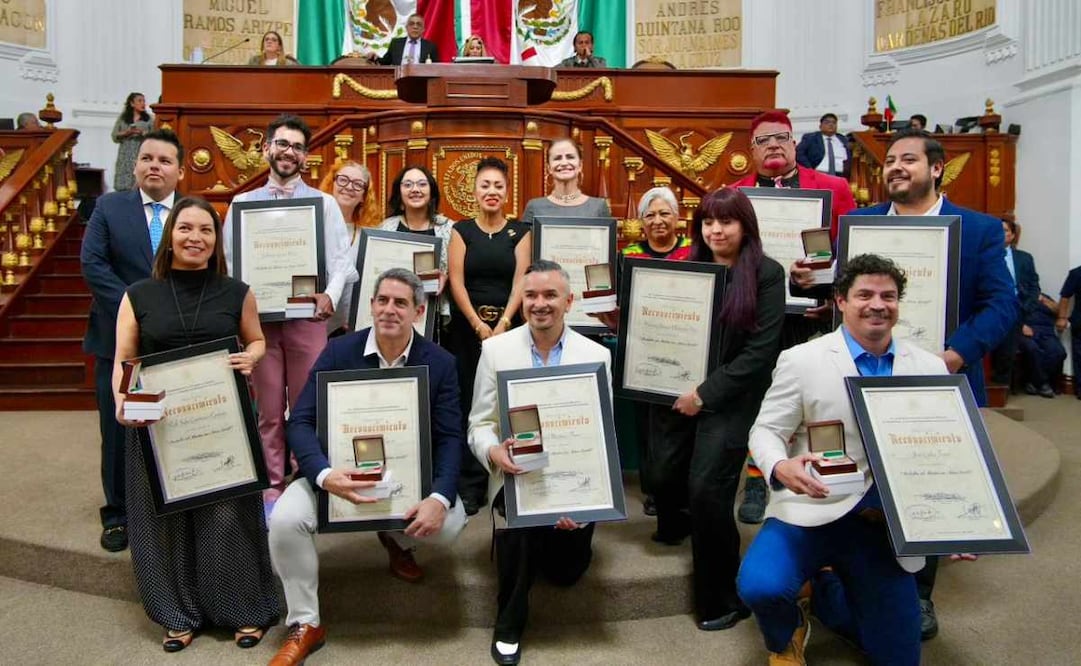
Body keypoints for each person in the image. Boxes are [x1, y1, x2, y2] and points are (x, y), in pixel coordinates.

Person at [839, 129, 1017, 639]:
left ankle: (918, 596)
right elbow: (843, 292)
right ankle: (855, 579)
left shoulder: (979, 230)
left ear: (936, 168)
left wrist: (953, 356)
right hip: (864, 375)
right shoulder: (862, 226)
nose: (896, 167)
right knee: (864, 477)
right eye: (890, 160)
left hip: (942, 380)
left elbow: (1002, 305)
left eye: (908, 160)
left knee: (927, 481)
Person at [738, 254, 951, 665]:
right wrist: (779, 467)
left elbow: (946, 450)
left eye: (888, 296)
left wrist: (955, 524)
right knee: (762, 587)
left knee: (899, 657)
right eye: (864, 294)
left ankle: (827, 593)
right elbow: (765, 431)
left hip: (881, 527)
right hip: (810, 511)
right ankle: (786, 632)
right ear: (840, 301)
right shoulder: (802, 360)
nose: (877, 304)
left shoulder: (930, 368)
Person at [267, 268, 466, 666]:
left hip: (406, 479)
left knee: (450, 524)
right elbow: (301, 421)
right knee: (286, 519)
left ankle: (397, 539)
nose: (389, 310)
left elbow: (449, 438)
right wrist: (324, 475)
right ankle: (306, 623)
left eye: (400, 303)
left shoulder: (440, 363)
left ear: (418, 310)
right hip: (339, 475)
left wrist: (440, 498)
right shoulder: (340, 351)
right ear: (371, 305)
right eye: (382, 300)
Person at [113, 196, 278, 652]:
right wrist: (120, 401)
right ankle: (177, 613)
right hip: (157, 423)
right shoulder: (138, 294)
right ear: (170, 237)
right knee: (164, 519)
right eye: (186, 228)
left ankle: (244, 608)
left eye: (205, 230)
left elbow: (258, 339)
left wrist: (254, 356)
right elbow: (126, 358)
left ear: (215, 241)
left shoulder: (237, 291)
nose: (195, 238)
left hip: (222, 423)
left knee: (226, 515)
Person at [468, 260, 612, 665]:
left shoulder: (596, 354)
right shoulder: (495, 351)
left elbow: (601, 434)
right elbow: (478, 424)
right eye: (531, 295)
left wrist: (587, 501)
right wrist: (494, 452)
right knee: (521, 519)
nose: (539, 304)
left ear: (569, 301)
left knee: (565, 574)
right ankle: (509, 623)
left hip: (574, 483)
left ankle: (552, 540)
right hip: (517, 476)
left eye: (550, 295)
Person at [656, 187, 785, 630]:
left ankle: (722, 598)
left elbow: (760, 353)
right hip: (681, 390)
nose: (716, 230)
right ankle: (699, 533)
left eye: (726, 221)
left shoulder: (767, 274)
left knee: (709, 489)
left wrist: (705, 395)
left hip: (733, 396)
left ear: (744, 226)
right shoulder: (690, 268)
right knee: (663, 475)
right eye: (708, 221)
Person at [223, 114, 358, 511]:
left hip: (306, 320)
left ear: (306, 157)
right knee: (267, 409)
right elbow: (232, 264)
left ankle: (305, 480)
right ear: (267, 149)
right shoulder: (242, 205)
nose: (289, 152)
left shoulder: (325, 203)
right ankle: (271, 485)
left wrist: (330, 295)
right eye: (282, 144)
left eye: (297, 147)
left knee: (306, 406)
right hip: (260, 324)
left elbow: (341, 262)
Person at [734, 110, 857, 525]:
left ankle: (820, 469)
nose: (773, 145)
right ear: (750, 151)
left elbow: (852, 253)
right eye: (763, 140)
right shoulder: (736, 194)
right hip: (758, 318)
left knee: (813, 398)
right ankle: (758, 475)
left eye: (781, 137)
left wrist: (833, 293)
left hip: (815, 314)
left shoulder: (834, 188)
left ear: (793, 143)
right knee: (762, 398)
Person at [81, 128, 186, 552]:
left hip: (178, 343)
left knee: (175, 424)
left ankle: (173, 505)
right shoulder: (109, 207)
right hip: (116, 340)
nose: (154, 166)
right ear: (135, 165)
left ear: (180, 170)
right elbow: (93, 264)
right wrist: (135, 312)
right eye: (146, 159)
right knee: (118, 427)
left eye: (163, 161)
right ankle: (118, 515)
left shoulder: (194, 213)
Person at [447, 156, 532, 515]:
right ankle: (470, 484)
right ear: (475, 191)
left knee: (507, 402)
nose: (492, 192)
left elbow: (521, 281)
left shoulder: (522, 231)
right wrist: (477, 324)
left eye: (498, 185)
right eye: (485, 185)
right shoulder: (460, 230)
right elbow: (456, 281)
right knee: (470, 402)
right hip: (468, 333)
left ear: (506, 191)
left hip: (510, 330)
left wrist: (503, 324)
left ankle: (507, 482)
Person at [620, 186, 691, 517]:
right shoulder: (630, 255)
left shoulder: (694, 252)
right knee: (647, 424)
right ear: (641, 222)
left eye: (665, 213)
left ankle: (679, 487)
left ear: (678, 218)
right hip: (642, 352)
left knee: (682, 422)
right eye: (650, 215)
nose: (658, 220)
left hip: (686, 351)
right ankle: (652, 489)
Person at [380, 165, 454, 336]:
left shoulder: (449, 228)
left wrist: (445, 277)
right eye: (408, 185)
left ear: (432, 192)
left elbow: (457, 271)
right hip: (394, 314)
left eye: (422, 184)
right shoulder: (386, 228)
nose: (415, 189)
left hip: (434, 315)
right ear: (399, 193)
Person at [318, 160, 381, 335]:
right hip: (310, 321)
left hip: (348, 327)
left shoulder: (368, 235)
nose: (349, 187)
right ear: (332, 184)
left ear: (364, 196)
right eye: (343, 180)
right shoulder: (312, 225)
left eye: (358, 184)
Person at [990, 219, 1038, 386]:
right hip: (992, 308)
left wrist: (1027, 309)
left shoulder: (1024, 258)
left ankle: (1002, 387)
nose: (1001, 234)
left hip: (1016, 309)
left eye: (1005, 230)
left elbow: (1033, 286)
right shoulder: (986, 255)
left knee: (1007, 353)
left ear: (1012, 235)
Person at [520, 138, 610, 224]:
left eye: (570, 157)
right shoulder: (534, 207)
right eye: (557, 158)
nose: (564, 163)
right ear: (549, 168)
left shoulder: (598, 207)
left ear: (580, 165)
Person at [1020, 293, 1066, 398]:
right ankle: (1043, 384)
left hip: (1047, 332)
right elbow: (1010, 314)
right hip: (1027, 332)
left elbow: (1058, 311)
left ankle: (1034, 383)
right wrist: (1021, 326)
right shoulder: (1020, 297)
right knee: (1033, 349)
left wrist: (1045, 301)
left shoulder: (1045, 297)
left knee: (1059, 352)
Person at [111, 92, 153, 191]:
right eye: (139, 101)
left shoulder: (148, 119)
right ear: (132, 103)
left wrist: (143, 133)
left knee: (138, 175)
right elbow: (114, 135)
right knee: (124, 174)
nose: (143, 103)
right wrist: (127, 132)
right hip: (125, 152)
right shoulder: (123, 118)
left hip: (140, 150)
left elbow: (154, 135)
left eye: (144, 101)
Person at [796, 112, 850, 178]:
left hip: (842, 175)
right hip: (819, 174)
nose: (831, 124)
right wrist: (809, 169)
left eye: (834, 123)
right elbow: (799, 153)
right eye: (827, 122)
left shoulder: (843, 139)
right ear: (820, 126)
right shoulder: (811, 138)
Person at [372, 14, 439, 65]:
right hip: (399, 81)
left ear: (423, 29)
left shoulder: (430, 46)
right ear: (406, 28)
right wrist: (375, 58)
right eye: (411, 24)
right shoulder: (396, 44)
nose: (415, 27)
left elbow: (436, 68)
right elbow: (385, 62)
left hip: (421, 81)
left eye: (419, 24)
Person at [1056, 265, 1081, 399]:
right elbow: (1065, 296)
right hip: (1080, 322)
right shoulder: (1076, 273)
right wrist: (1062, 317)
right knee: (1079, 356)